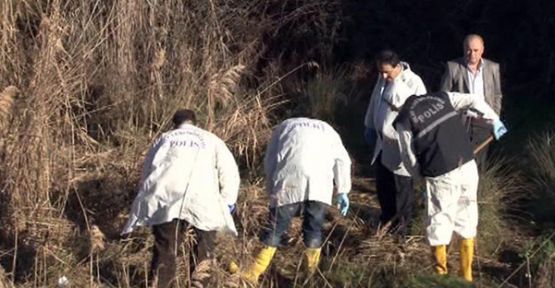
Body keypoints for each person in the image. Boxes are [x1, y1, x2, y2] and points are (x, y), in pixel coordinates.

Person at [393, 91, 507, 282]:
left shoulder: (405, 118)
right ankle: (466, 277)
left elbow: (408, 157)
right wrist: (494, 120)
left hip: (440, 173)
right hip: (467, 166)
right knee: (467, 217)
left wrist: (420, 177)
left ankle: (441, 278)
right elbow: (473, 98)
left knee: (439, 222)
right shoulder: (442, 97)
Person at [121, 109, 240, 288]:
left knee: (165, 250)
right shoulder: (212, 139)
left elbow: (147, 173)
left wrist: (146, 197)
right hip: (204, 199)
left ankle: (160, 284)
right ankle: (199, 284)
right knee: (204, 250)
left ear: (174, 124)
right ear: (195, 123)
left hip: (165, 197)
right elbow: (229, 172)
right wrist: (228, 201)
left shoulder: (163, 139)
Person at [240, 117, 352, 283]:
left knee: (275, 227)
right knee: (314, 228)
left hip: (289, 179)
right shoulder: (328, 130)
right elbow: (342, 160)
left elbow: (271, 159)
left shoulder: (284, 126)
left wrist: (271, 189)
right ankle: (311, 276)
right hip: (319, 183)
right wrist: (343, 190)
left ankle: (252, 274)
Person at [363, 50, 427, 234]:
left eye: (387, 72)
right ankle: (386, 219)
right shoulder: (382, 78)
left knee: (401, 189)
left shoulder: (414, 82)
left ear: (398, 67)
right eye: (380, 72)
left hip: (401, 145)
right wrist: (369, 124)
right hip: (382, 142)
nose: (383, 76)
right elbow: (374, 101)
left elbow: (421, 113)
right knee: (383, 185)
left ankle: (402, 229)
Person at [440, 34, 503, 169]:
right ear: (463, 49)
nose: (472, 54)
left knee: (479, 165)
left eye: (475, 50)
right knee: (460, 164)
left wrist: (495, 118)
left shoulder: (493, 68)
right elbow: (443, 96)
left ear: (482, 50)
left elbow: (497, 95)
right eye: (468, 50)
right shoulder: (453, 67)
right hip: (461, 124)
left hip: (484, 124)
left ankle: (479, 190)